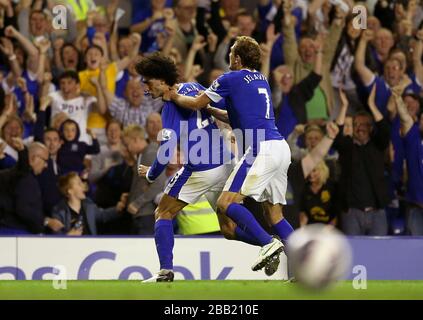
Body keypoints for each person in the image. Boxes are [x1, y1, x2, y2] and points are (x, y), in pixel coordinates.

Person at [168, 36, 292, 275]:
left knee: (226, 204)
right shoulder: (261, 79)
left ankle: (269, 243)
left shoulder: (229, 78)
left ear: (237, 58)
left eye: (231, 52)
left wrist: (173, 96)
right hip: (280, 147)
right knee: (274, 215)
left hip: (260, 149)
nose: (228, 57)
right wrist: (213, 110)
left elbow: (194, 103)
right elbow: (238, 117)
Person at [136, 53, 235, 281]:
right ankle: (269, 242)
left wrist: (151, 174)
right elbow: (218, 106)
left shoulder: (169, 107)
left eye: (148, 83)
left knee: (163, 212)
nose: (146, 89)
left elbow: (168, 149)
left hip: (200, 168)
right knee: (230, 228)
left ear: (161, 80)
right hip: (224, 162)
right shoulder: (193, 86)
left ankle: (165, 272)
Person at [52, 172, 127, 235]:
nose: (84, 185)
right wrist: (68, 236)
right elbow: (56, 238)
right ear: (70, 191)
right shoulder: (59, 211)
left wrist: (118, 208)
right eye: (79, 183)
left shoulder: (88, 204)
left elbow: (103, 215)